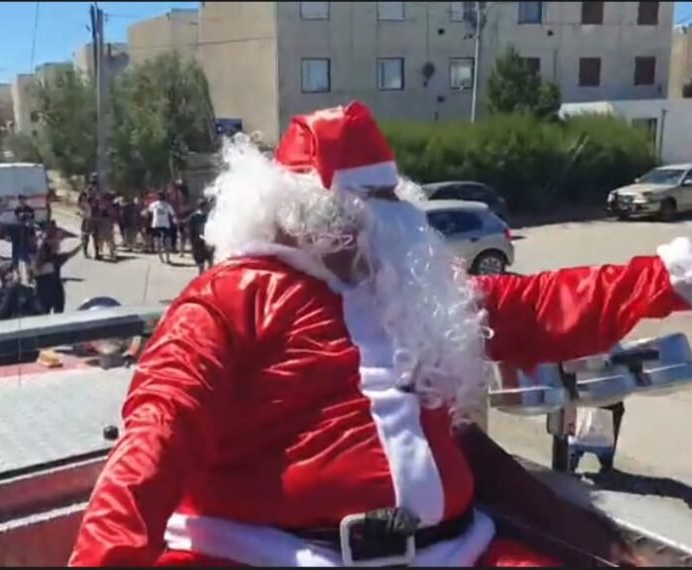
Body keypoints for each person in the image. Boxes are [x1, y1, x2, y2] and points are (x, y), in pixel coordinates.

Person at [68, 101, 689, 567]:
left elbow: (543, 305)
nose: (406, 220)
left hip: (455, 551)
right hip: (269, 555)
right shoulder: (226, 301)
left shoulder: (411, 289)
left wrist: (668, 275)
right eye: (388, 204)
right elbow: (154, 444)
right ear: (327, 219)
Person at [0, 261, 44, 366]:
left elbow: (40, 313)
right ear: (5, 277)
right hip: (4, 350)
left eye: (14, 271)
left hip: (26, 347)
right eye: (12, 271)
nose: (16, 274)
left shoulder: (26, 291)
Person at [31, 221, 82, 314]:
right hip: (45, 291)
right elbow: (34, 271)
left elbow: (70, 254)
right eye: (57, 240)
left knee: (55, 313)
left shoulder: (55, 257)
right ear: (50, 241)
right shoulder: (42, 257)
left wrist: (81, 244)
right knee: (45, 314)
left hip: (54, 289)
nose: (59, 243)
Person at [10, 194, 36, 280]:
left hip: (27, 234)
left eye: (23, 199)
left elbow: (32, 221)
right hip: (17, 234)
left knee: (27, 255)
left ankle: (29, 273)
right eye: (20, 200)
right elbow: (15, 220)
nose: (22, 201)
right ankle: (17, 274)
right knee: (15, 255)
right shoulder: (17, 210)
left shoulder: (30, 210)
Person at [146, 192, 174, 264]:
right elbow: (148, 211)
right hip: (156, 225)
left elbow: (172, 214)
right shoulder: (154, 204)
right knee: (158, 243)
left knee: (167, 242)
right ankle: (162, 259)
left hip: (165, 225)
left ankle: (167, 258)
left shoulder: (167, 205)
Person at [78, 175, 101, 260]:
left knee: (90, 235)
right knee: (91, 235)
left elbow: (80, 203)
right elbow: (80, 202)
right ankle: (92, 253)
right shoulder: (89, 191)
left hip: (92, 216)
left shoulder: (88, 191)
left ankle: (90, 252)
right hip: (91, 216)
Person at [186, 198, 211, 274]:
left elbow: (190, 231)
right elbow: (190, 231)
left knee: (204, 264)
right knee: (203, 264)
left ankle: (204, 278)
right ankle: (204, 279)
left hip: (204, 242)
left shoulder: (194, 217)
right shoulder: (195, 217)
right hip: (200, 242)